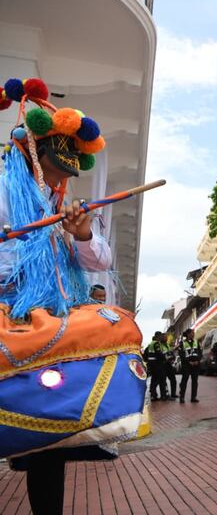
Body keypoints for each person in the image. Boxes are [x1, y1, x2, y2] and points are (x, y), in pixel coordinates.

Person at [0, 77, 145, 515]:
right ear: (33, 154)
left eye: (67, 173)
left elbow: (98, 260)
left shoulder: (60, 205)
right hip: (9, 309)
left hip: (46, 313)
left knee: (110, 327)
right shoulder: (5, 191)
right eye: (56, 168)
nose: (61, 180)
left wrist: (79, 234)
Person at [178, 329, 201, 403]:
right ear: (188, 334)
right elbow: (181, 354)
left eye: (193, 333)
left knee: (195, 381)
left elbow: (200, 352)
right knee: (184, 381)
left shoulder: (196, 342)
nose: (193, 334)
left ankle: (193, 397)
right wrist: (189, 362)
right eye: (192, 333)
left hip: (196, 365)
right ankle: (182, 397)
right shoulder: (182, 343)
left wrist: (198, 360)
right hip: (186, 365)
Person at [144, 333, 166, 401]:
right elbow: (159, 353)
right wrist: (164, 358)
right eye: (160, 336)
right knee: (161, 380)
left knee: (154, 380)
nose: (161, 337)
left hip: (151, 364)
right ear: (157, 336)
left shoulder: (150, 344)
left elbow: (145, 354)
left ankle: (153, 395)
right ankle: (163, 396)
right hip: (157, 364)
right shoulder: (156, 343)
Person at [161, 328, 178, 400]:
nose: (166, 338)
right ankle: (164, 395)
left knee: (173, 380)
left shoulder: (167, 345)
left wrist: (173, 358)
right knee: (163, 381)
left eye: (166, 337)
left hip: (169, 365)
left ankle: (173, 394)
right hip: (163, 365)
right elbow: (161, 355)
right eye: (164, 337)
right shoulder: (159, 345)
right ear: (161, 338)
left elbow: (170, 352)